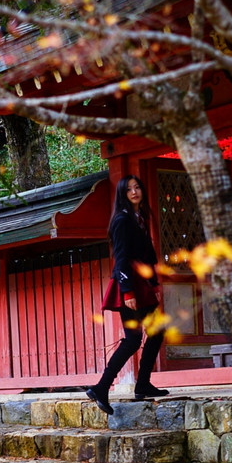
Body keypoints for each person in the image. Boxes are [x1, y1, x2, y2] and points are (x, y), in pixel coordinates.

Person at [86, 175, 168, 414]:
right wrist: (127, 291)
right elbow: (120, 258)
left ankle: (142, 384)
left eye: (137, 187)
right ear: (122, 193)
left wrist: (154, 284)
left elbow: (148, 257)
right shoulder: (122, 220)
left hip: (143, 285)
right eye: (129, 189)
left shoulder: (140, 218)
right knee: (133, 339)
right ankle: (101, 387)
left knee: (156, 332)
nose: (134, 192)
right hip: (129, 286)